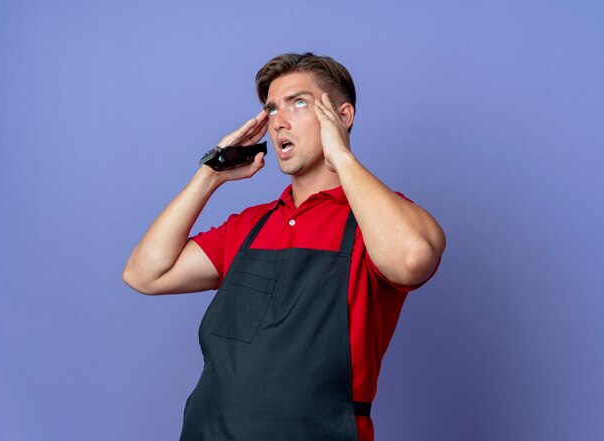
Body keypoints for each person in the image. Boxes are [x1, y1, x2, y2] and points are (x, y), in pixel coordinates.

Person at [122, 52, 446, 441]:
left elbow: (414, 259)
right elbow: (144, 273)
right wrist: (208, 176)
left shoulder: (375, 222)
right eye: (271, 108)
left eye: (299, 102)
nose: (279, 121)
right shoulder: (250, 225)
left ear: (342, 116)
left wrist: (340, 155)